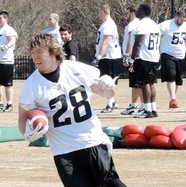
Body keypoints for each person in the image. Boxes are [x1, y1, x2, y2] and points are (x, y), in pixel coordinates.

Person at [18, 34, 126, 187]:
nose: (35, 57)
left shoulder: (75, 69)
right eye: (32, 52)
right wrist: (26, 134)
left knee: (112, 184)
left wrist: (109, 86)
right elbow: (23, 115)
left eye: (39, 52)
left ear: (53, 51)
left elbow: (107, 94)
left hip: (92, 140)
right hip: (64, 150)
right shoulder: (31, 85)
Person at [128, 4, 161, 118]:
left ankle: (147, 110)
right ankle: (153, 109)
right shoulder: (154, 24)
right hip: (154, 56)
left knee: (144, 83)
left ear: (142, 11)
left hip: (143, 57)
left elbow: (138, 43)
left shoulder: (142, 24)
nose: (136, 11)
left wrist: (132, 59)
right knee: (151, 83)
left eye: (138, 9)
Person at [159, 10, 186, 108]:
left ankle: (173, 98)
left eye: (183, 20)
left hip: (180, 55)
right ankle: (173, 98)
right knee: (171, 76)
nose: (181, 22)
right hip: (167, 53)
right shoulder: (165, 25)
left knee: (177, 79)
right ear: (176, 17)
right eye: (180, 20)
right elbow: (157, 35)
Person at [93, 4, 122, 113]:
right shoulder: (105, 24)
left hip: (110, 56)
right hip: (107, 56)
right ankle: (112, 102)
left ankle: (110, 104)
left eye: (99, 11)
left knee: (108, 81)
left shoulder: (109, 25)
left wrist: (99, 56)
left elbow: (106, 41)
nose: (98, 14)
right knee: (105, 81)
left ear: (103, 12)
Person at [121, 6, 144, 115]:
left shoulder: (132, 25)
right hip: (135, 57)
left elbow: (131, 41)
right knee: (134, 83)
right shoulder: (138, 24)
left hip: (133, 58)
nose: (125, 16)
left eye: (127, 13)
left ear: (132, 13)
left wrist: (127, 56)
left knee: (138, 83)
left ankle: (144, 106)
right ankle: (133, 105)